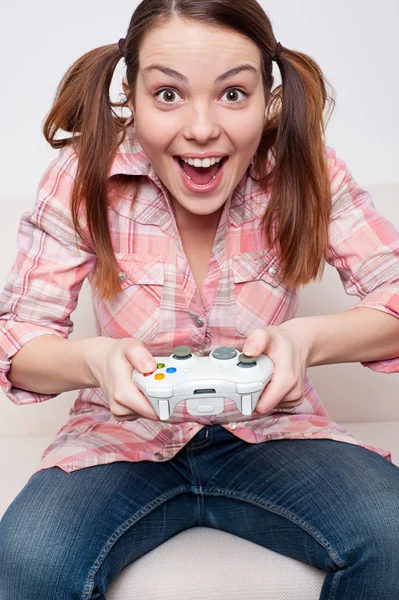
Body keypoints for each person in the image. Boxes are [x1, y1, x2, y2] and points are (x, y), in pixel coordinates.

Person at [1, 0, 399, 598]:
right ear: (130, 96)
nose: (202, 129)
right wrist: (97, 363)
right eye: (168, 95)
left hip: (270, 433)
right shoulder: (82, 175)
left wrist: (303, 341)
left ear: (267, 96)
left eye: (232, 94)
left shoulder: (307, 168)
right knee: (29, 558)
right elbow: (18, 334)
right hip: (121, 440)